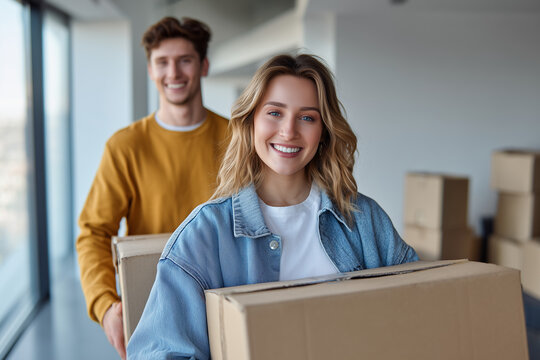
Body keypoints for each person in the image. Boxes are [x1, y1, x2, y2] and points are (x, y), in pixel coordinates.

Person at [127, 54, 418, 359]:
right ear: (251, 120)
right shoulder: (205, 234)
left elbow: (423, 312)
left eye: (307, 117)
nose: (289, 131)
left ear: (323, 133)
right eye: (275, 113)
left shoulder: (364, 220)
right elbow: (161, 352)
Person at [76, 17, 229, 359]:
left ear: (203, 65)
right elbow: (93, 232)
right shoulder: (125, 146)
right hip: (151, 311)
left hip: (226, 301)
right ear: (150, 70)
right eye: (162, 62)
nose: (173, 73)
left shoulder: (239, 139)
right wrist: (105, 305)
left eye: (184, 60)